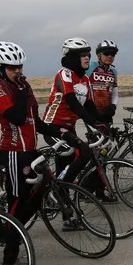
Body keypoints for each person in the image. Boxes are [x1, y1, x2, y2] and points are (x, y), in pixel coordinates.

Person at [0, 41, 79, 265]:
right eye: (11, 67)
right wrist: (20, 89)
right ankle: (9, 257)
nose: (17, 71)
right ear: (0, 68)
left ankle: (14, 234)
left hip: (30, 151)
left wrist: (62, 133)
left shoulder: (23, 89)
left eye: (19, 66)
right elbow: (17, 117)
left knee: (38, 196)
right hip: (12, 152)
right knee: (17, 202)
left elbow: (35, 122)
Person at [41, 37, 106, 184]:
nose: (87, 58)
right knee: (80, 152)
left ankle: (58, 191)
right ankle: (62, 189)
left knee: (69, 161)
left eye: (88, 55)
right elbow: (73, 102)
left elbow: (89, 106)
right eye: (83, 55)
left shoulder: (85, 80)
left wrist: (103, 123)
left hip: (69, 127)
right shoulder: (65, 74)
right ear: (72, 57)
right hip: (53, 127)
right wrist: (94, 122)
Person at [89, 40, 120, 125]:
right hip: (91, 111)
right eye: (107, 53)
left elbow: (114, 92)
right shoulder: (90, 67)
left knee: (109, 136)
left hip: (107, 111)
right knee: (96, 137)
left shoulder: (113, 71)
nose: (110, 56)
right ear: (99, 55)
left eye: (112, 54)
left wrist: (113, 106)